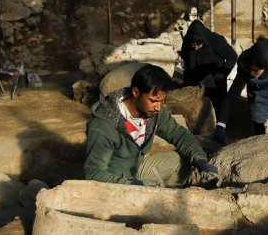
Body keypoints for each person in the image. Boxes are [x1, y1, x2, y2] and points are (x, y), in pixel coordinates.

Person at [84, 64, 218, 187]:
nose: (158, 107)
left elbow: (180, 135)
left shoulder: (152, 112)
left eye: (161, 101)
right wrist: (134, 186)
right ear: (135, 92)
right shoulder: (103, 125)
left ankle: (165, 199)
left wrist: (200, 160)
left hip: (137, 168)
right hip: (114, 182)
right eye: (153, 101)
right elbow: (94, 173)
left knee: (182, 160)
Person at [214, 38, 268, 145]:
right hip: (260, 105)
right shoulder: (245, 63)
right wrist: (221, 124)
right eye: (250, 69)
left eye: (256, 70)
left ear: (266, 66)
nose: (251, 73)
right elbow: (232, 94)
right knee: (265, 143)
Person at [180, 20, 237, 115]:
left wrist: (223, 72)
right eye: (192, 44)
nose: (195, 47)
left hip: (215, 82)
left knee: (217, 110)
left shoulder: (215, 40)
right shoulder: (187, 40)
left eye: (198, 44)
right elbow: (185, 57)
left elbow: (232, 56)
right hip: (195, 83)